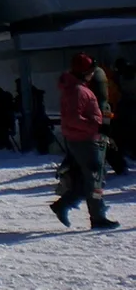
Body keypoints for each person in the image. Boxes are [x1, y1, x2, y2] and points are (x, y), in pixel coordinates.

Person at [51, 53, 120, 229]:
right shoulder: (78, 91)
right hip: (86, 140)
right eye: (91, 71)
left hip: (83, 139)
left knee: (89, 178)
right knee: (95, 178)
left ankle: (65, 204)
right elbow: (73, 119)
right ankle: (97, 217)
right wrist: (96, 127)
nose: (92, 75)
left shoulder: (76, 88)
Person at [0, 85, 17, 150]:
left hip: (1, 123)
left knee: (1, 138)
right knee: (3, 138)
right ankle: (8, 150)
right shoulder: (4, 99)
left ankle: (7, 150)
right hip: (2, 123)